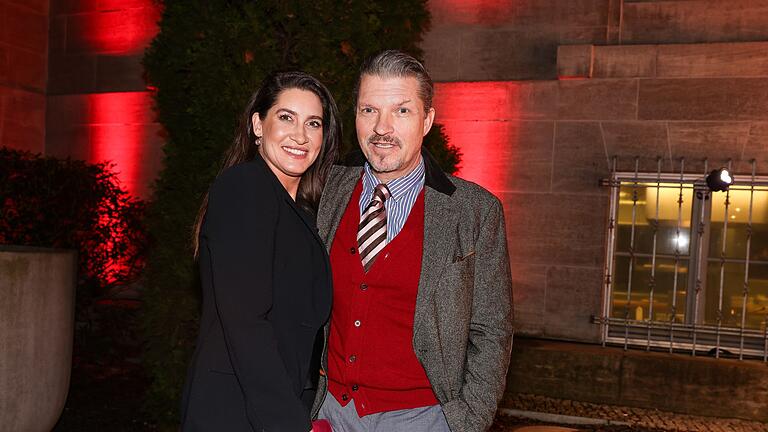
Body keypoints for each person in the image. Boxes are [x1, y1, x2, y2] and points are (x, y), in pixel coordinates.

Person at [312, 50, 514, 431]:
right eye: (369, 110)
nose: (381, 128)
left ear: (427, 120)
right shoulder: (327, 188)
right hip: (329, 413)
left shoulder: (474, 211)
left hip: (424, 418)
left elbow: (492, 329)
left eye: (401, 111)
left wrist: (466, 422)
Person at [181, 71, 340, 432]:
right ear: (257, 124)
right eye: (286, 117)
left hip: (275, 402)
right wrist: (287, 422)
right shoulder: (246, 187)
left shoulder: (302, 212)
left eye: (313, 123)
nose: (300, 135)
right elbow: (245, 322)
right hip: (238, 407)